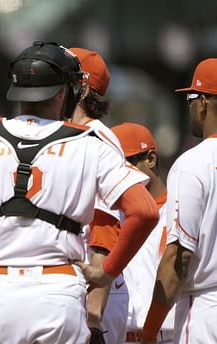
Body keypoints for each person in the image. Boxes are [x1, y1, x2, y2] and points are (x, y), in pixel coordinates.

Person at [0, 41, 159, 344]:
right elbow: (145, 211)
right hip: (58, 294)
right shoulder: (90, 142)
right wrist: (106, 272)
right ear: (61, 93)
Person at [141, 58, 217, 344]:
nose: (190, 106)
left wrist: (149, 332)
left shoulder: (193, 164)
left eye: (190, 98)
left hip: (206, 310)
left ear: (204, 103)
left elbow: (179, 259)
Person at [69, 47, 132, 344]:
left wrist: (93, 320)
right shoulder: (71, 133)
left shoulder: (95, 139)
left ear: (81, 89)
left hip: (93, 296)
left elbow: (106, 228)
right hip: (79, 287)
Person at [111, 122, 175, 343]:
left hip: (167, 336)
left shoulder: (180, 210)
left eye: (127, 164)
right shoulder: (111, 215)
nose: (120, 174)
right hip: (119, 335)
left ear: (150, 159)